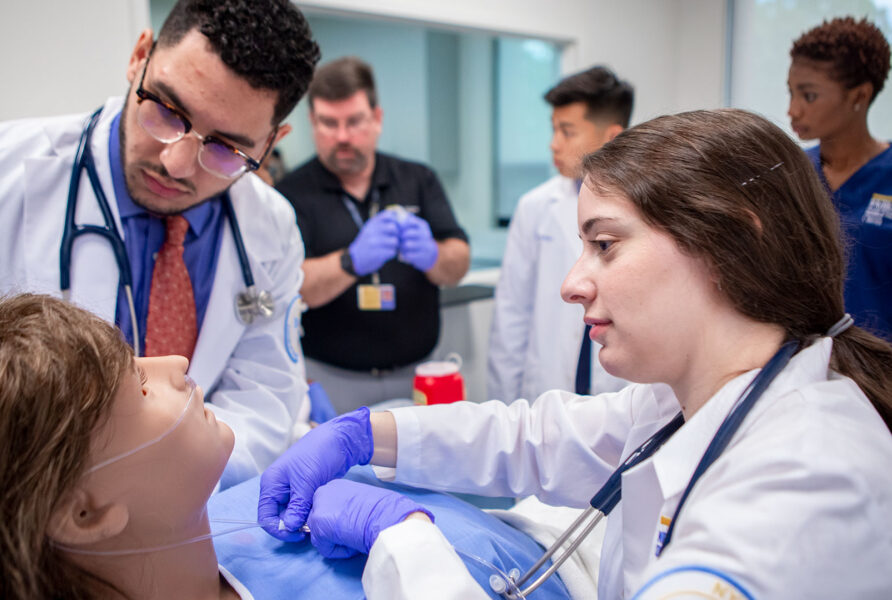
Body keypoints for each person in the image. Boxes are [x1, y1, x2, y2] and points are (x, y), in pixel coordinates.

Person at [259, 109, 892, 599]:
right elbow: (538, 438)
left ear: (729, 243)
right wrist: (366, 433)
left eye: (606, 244)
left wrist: (406, 543)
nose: (571, 283)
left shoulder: (806, 479)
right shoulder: (685, 398)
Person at [0, 293, 572, 600]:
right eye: (140, 386)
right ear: (86, 514)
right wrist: (410, 545)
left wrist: (372, 436)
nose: (176, 362)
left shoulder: (241, 506)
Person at [0, 0, 320, 489]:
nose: (177, 163)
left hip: (187, 509)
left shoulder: (270, 227)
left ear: (271, 143)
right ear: (139, 55)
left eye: (225, 149)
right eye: (168, 111)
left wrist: (156, 492)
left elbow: (263, 402)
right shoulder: (5, 174)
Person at [275, 56, 471, 413]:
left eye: (354, 121)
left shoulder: (417, 179)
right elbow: (290, 288)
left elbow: (458, 263)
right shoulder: (290, 195)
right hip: (331, 380)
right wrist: (350, 261)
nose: (343, 136)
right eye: (329, 123)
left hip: (418, 374)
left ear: (377, 118)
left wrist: (434, 256)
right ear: (312, 122)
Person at [488, 65, 634, 403]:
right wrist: (505, 408)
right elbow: (512, 315)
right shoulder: (535, 207)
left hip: (618, 391)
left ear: (611, 136)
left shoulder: (647, 208)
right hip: (547, 387)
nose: (554, 144)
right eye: (554, 130)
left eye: (567, 132)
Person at [788, 16, 892, 342]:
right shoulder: (792, 174)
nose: (792, 110)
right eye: (791, 92)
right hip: (804, 368)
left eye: (809, 96)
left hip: (882, 375)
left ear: (858, 96)